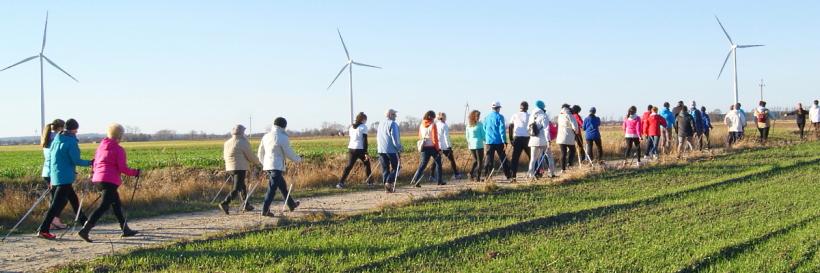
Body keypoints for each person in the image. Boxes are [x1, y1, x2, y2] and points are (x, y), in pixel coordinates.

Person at [77, 123, 141, 242]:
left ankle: (125, 229)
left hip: (98, 179)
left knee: (116, 204)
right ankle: (85, 230)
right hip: (109, 180)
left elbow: (95, 163)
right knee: (103, 206)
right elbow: (122, 168)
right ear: (120, 136)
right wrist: (135, 172)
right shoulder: (118, 149)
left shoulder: (101, 147)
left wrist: (94, 174)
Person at [36, 119, 92, 240]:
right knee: (55, 206)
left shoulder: (56, 139)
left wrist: (51, 178)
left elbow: (51, 159)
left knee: (74, 201)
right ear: (74, 129)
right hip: (65, 177)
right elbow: (76, 160)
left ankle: (85, 224)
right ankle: (43, 229)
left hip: (56, 176)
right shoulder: (71, 141)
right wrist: (90, 162)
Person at [257, 117, 301, 217]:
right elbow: (288, 152)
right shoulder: (282, 137)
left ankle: (291, 204)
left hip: (268, 166)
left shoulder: (266, 136)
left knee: (282, 186)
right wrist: (298, 159)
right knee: (272, 189)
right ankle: (265, 210)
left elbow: (260, 152)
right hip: (276, 166)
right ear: (284, 126)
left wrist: (264, 164)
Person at [219, 124, 261, 214]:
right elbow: (250, 156)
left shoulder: (227, 142)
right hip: (239, 167)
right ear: (242, 132)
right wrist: (258, 162)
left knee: (242, 186)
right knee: (237, 188)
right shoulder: (242, 142)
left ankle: (246, 204)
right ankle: (225, 202)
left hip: (229, 167)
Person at [40, 119, 69, 230]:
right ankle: (53, 221)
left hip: (47, 172)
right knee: (60, 200)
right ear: (60, 128)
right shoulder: (55, 139)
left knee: (56, 199)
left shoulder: (48, 138)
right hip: (53, 173)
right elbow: (55, 160)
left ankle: (53, 221)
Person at [336, 112, 372, 188]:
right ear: (363, 119)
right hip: (360, 149)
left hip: (351, 148)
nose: (366, 121)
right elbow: (365, 140)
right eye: (365, 119)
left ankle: (340, 183)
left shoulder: (351, 127)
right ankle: (369, 182)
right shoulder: (363, 127)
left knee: (349, 166)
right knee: (367, 164)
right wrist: (366, 152)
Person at [411, 111, 444, 186]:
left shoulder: (421, 125)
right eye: (433, 117)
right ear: (430, 117)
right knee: (438, 163)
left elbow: (419, 136)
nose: (434, 119)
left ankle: (416, 180)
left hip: (424, 147)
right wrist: (438, 149)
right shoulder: (433, 125)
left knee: (422, 165)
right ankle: (439, 181)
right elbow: (434, 138)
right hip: (432, 147)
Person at [483, 102, 511, 180]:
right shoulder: (500, 117)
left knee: (489, 159)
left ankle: (487, 176)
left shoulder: (486, 117)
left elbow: (484, 128)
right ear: (498, 108)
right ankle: (508, 175)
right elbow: (502, 130)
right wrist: (504, 141)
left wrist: (488, 135)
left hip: (489, 142)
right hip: (499, 141)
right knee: (503, 158)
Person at [527, 100, 555, 178]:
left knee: (533, 158)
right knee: (549, 156)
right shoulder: (543, 116)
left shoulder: (531, 116)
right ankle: (551, 173)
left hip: (533, 140)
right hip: (543, 140)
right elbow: (546, 129)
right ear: (543, 108)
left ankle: (531, 174)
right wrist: (548, 140)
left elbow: (528, 129)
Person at [377, 109, 402, 192]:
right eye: (394, 114)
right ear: (390, 115)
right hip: (391, 150)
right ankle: (389, 182)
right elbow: (395, 138)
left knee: (385, 169)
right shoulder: (393, 124)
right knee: (397, 167)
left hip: (381, 149)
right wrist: (399, 147)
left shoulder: (380, 124)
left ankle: (387, 188)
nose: (396, 116)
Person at [507, 101, 530, 180]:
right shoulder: (529, 116)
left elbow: (510, 127)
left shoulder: (515, 115)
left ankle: (513, 176)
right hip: (527, 139)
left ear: (520, 107)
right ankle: (534, 173)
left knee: (515, 158)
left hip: (517, 138)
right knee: (532, 157)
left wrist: (511, 139)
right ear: (527, 108)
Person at [436, 112, 463, 179]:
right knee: (452, 160)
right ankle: (456, 174)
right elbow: (446, 137)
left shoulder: (436, 125)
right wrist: (449, 146)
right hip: (445, 146)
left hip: (438, 146)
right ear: (444, 117)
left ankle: (432, 175)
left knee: (436, 161)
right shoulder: (444, 125)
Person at [556, 104, 578, 171]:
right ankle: (569, 164)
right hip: (568, 136)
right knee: (573, 150)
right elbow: (575, 126)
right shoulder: (569, 115)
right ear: (568, 108)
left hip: (560, 137)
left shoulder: (560, 115)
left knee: (563, 153)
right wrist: (576, 132)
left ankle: (563, 169)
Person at [465, 110, 486, 182]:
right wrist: (487, 140)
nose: (478, 117)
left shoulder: (468, 125)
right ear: (474, 116)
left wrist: (469, 143)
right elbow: (483, 135)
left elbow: (467, 136)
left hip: (471, 146)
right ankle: (478, 177)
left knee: (475, 161)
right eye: (477, 116)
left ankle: (470, 173)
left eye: (479, 116)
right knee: (480, 162)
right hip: (479, 145)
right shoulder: (480, 124)